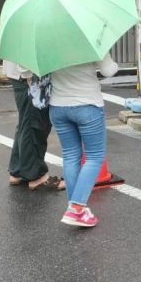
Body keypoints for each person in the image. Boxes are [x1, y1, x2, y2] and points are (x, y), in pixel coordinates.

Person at [50, 53, 119, 228]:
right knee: (94, 157)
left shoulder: (50, 40)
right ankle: (76, 209)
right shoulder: (88, 40)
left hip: (58, 106)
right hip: (87, 104)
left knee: (70, 155)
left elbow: (27, 72)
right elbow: (109, 70)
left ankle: (75, 208)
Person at [4, 59, 63, 191]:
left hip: (21, 75)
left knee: (26, 123)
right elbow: (23, 48)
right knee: (34, 125)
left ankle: (18, 170)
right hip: (28, 76)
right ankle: (35, 176)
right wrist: (29, 77)